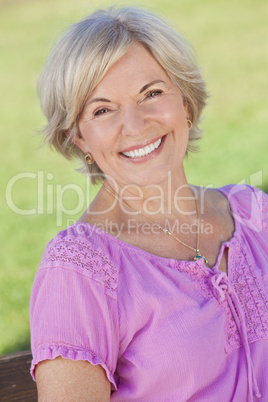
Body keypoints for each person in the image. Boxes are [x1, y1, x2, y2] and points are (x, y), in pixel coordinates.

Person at [30, 6, 268, 401]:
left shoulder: (252, 212)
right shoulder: (79, 271)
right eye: (102, 110)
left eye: (152, 93)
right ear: (80, 139)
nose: (136, 125)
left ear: (186, 104)